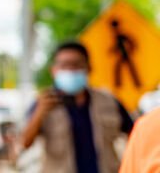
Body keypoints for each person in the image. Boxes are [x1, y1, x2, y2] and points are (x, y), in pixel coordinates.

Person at [21, 40, 133, 173]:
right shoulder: (44, 102)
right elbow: (25, 143)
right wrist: (39, 113)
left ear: (89, 68)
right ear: (54, 70)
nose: (70, 70)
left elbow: (134, 134)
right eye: (64, 65)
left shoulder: (109, 101)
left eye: (76, 65)